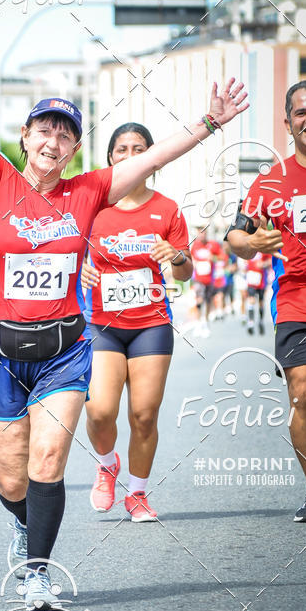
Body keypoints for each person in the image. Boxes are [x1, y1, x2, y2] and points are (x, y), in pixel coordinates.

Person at [0, 0, 248, 609]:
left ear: (75, 149)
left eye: (65, 133)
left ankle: (38, 570)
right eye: (44, 129)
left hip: (63, 352)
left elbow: (156, 156)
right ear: (25, 137)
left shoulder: (90, 190)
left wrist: (208, 123)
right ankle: (24, 529)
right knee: (11, 475)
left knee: (50, 457)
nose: (53, 140)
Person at [227, 79, 306, 522]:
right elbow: (236, 234)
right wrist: (254, 244)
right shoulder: (271, 182)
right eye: (301, 113)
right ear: (287, 122)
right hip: (298, 302)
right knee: (304, 393)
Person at [81, 122, 193, 522]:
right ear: (111, 158)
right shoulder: (93, 208)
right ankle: (107, 463)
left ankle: (139, 493)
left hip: (152, 323)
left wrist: (176, 257)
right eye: (121, 149)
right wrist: (82, 273)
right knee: (99, 412)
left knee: (144, 414)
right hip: (102, 325)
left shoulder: (167, 209)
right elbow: (66, 254)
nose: (130, 156)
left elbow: (184, 273)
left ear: (152, 157)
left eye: (139, 149)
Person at [190, 227, 223, 336]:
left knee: (208, 301)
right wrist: (193, 262)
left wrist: (212, 257)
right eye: (199, 233)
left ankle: (206, 323)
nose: (201, 235)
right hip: (198, 278)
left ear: (206, 234)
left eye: (203, 233)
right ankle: (199, 323)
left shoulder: (213, 245)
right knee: (199, 299)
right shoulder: (195, 245)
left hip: (210, 279)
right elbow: (190, 258)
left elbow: (222, 257)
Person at [244, 252, 271, 334]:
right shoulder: (249, 247)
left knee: (261, 302)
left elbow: (270, 260)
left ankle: (261, 321)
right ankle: (251, 323)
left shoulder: (263, 249)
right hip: (251, 279)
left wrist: (263, 264)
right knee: (251, 300)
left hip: (261, 280)